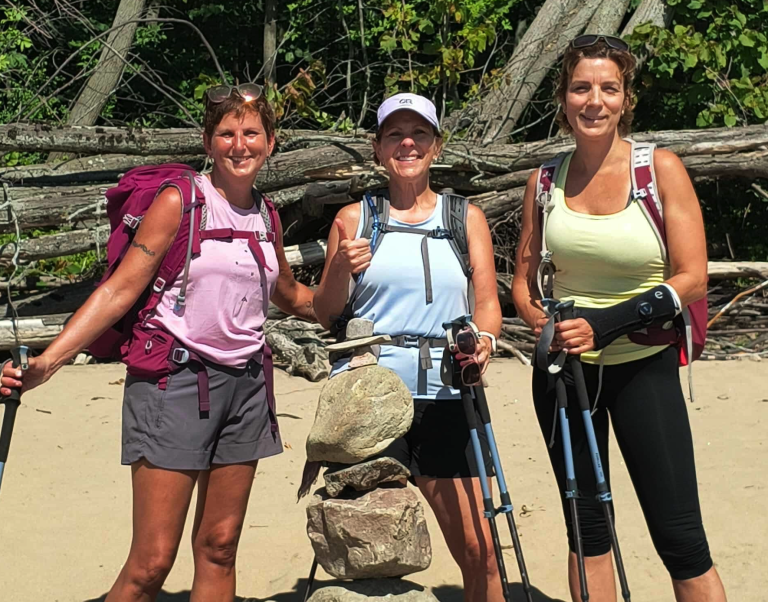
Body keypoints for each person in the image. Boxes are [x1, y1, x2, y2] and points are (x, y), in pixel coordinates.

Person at [0, 84, 315, 601]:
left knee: (220, 546)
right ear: (208, 142)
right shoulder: (181, 200)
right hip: (174, 382)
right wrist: (48, 363)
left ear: (271, 143)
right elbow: (120, 290)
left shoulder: (266, 215)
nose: (240, 145)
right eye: (226, 133)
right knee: (152, 563)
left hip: (247, 387)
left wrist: (345, 281)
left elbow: (293, 296)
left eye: (251, 133)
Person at [512, 35, 727, 601]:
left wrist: (605, 324)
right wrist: (543, 325)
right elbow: (523, 281)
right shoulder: (544, 181)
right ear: (563, 99)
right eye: (581, 88)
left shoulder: (658, 169)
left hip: (642, 368)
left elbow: (693, 277)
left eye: (608, 88)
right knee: (587, 534)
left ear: (626, 99)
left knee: (680, 538)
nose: (594, 101)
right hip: (564, 375)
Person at [313, 93, 505, 602]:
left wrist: (483, 342)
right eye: (394, 135)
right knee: (371, 547)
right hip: (369, 398)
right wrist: (338, 268)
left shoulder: (466, 219)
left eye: (419, 134)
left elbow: (487, 303)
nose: (407, 143)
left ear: (436, 146)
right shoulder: (354, 219)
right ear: (377, 149)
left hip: (446, 392)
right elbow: (327, 313)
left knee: (479, 548)